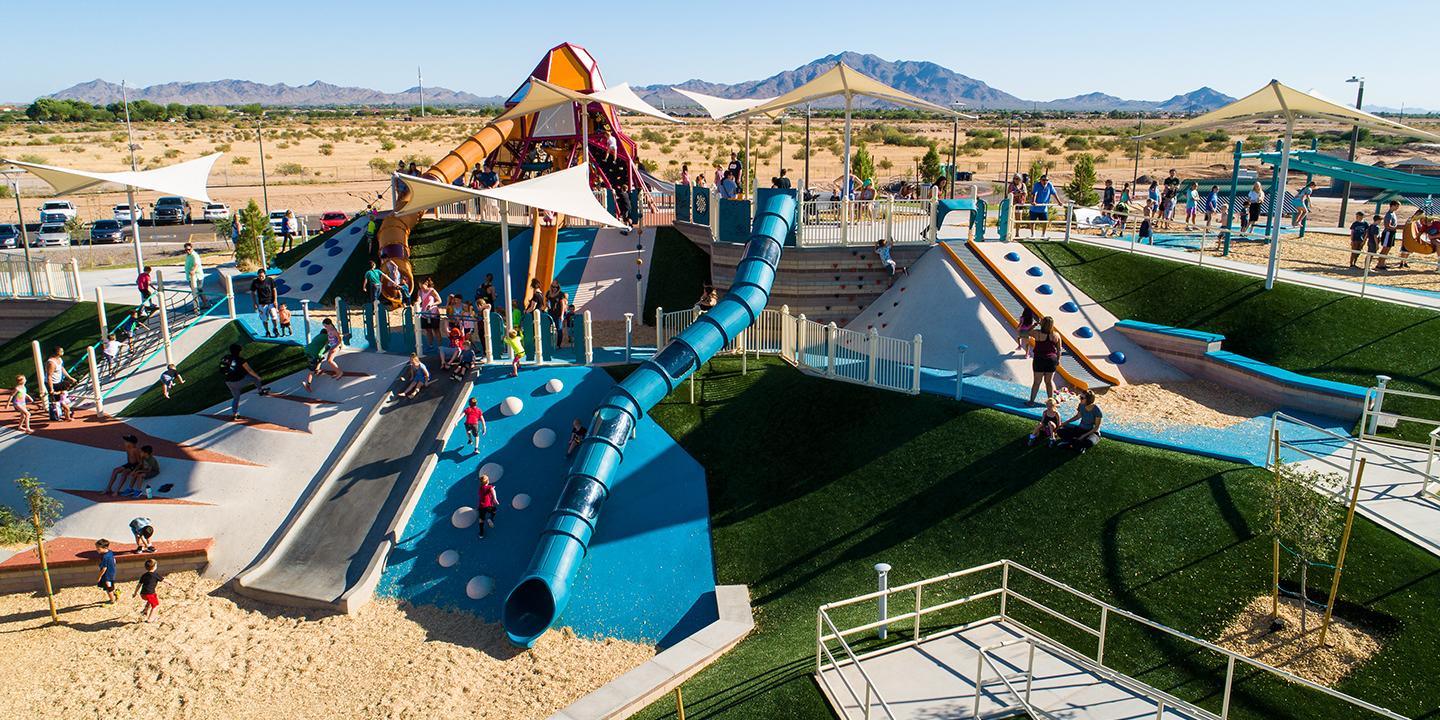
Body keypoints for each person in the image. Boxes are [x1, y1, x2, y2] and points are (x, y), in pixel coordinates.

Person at [220, 343, 269, 421]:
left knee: (236, 398)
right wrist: (258, 377)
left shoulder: (227, 358)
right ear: (240, 351)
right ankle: (261, 391)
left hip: (229, 382)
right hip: (239, 381)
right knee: (255, 376)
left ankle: (234, 414)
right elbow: (249, 370)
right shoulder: (241, 360)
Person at [1027, 316, 1062, 405]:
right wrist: (1058, 359)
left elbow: (1028, 332)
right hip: (1051, 359)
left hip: (1039, 359)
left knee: (1037, 382)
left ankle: (1031, 402)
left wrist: (1035, 323)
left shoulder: (1037, 333)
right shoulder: (1056, 335)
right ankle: (1051, 403)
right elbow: (1059, 349)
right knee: (1049, 382)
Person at [1057, 389, 1103, 453]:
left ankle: (1071, 444)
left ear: (1088, 399)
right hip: (1081, 429)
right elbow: (1078, 416)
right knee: (1060, 432)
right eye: (1080, 397)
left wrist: (1085, 435)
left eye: (1082, 398)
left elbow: (1096, 427)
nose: (1080, 399)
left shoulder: (1097, 410)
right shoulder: (1081, 405)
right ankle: (1076, 445)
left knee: (1090, 441)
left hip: (1092, 432)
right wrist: (1065, 422)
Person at [134, 558, 176, 623]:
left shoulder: (144, 575)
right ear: (154, 567)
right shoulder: (156, 575)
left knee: (150, 600)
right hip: (149, 593)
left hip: (143, 594)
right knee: (155, 605)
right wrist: (171, 583)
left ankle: (145, 610)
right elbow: (163, 580)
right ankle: (150, 619)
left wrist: (135, 593)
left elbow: (139, 585)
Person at [250, 269, 278, 337]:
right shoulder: (255, 282)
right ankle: (267, 331)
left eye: (262, 275)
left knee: (274, 315)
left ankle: (275, 328)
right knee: (264, 318)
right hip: (262, 302)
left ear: (264, 274)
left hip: (270, 301)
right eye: (259, 276)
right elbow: (252, 292)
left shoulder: (270, 280)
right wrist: (255, 303)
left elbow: (274, 290)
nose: (261, 277)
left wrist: (275, 300)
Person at [417, 278, 442, 350]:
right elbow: (419, 299)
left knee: (436, 330)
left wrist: (432, 305)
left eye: (422, 284)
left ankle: (440, 347)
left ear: (426, 284)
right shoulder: (420, 291)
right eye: (420, 284)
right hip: (425, 313)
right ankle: (430, 345)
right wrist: (417, 303)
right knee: (428, 330)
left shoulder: (432, 291)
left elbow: (439, 300)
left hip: (433, 312)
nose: (421, 286)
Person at [184, 242, 207, 311]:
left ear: (192, 248)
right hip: (191, 277)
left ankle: (199, 305)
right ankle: (198, 305)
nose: (188, 251)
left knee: (198, 290)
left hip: (197, 277)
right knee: (196, 291)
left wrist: (193, 270)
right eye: (186, 250)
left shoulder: (195, 255)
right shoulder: (188, 255)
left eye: (189, 249)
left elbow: (197, 264)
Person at [95, 539, 119, 607]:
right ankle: (116, 593)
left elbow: (104, 568)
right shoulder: (110, 552)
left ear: (105, 548)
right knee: (111, 584)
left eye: (98, 549)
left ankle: (112, 600)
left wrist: (99, 577)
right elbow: (114, 560)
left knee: (108, 587)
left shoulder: (105, 557)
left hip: (107, 574)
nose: (97, 550)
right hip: (112, 571)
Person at [1380, 201, 1402, 270]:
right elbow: (1388, 226)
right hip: (1388, 233)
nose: (1397, 208)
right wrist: (1400, 227)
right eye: (1397, 206)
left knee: (1388, 248)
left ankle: (1383, 263)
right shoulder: (1389, 214)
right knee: (1385, 249)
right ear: (1392, 205)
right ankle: (1379, 264)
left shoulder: (1393, 214)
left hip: (1392, 233)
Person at [476, 473, 498, 538]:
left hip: (481, 507)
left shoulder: (480, 489)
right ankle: (491, 518)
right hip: (488, 506)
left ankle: (481, 533)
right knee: (494, 509)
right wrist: (495, 498)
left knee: (481, 519)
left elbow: (484, 491)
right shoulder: (489, 487)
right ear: (488, 482)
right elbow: (492, 490)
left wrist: (490, 488)